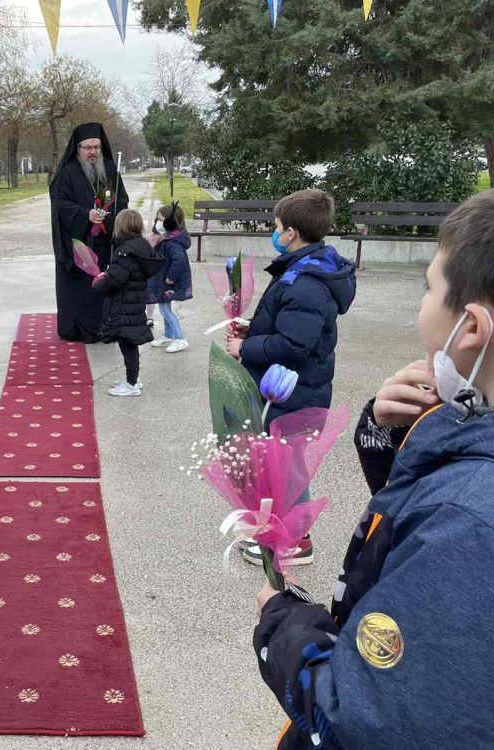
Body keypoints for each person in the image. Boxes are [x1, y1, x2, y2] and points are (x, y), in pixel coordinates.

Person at [253, 189, 494, 750]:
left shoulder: (469, 526)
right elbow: (417, 520)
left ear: (472, 328)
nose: (423, 308)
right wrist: (388, 436)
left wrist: (282, 625)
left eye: (429, 288)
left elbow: (365, 716)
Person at [227, 189, 356, 566]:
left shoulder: (307, 281)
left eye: (277, 227)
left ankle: (296, 542)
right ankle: (278, 531)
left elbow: (293, 344)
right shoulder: (305, 269)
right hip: (291, 389)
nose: (274, 232)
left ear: (292, 233)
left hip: (296, 393)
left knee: (291, 469)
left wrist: (244, 350)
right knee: (281, 465)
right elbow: (287, 325)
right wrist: (254, 329)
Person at [49, 122, 130, 343]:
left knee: (104, 287)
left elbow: (121, 201)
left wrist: (110, 219)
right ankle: (79, 329)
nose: (93, 152)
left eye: (97, 147)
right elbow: (60, 204)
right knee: (81, 290)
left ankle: (105, 326)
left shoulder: (111, 170)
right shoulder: (67, 173)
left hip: (104, 242)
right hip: (78, 243)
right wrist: (86, 215)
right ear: (78, 148)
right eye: (88, 147)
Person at [93, 209, 162, 397]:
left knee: (128, 344)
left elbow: (115, 280)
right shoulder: (140, 246)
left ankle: (131, 384)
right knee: (129, 345)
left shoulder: (125, 252)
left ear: (120, 227)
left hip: (124, 306)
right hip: (133, 304)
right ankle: (133, 378)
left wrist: (99, 281)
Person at [147, 201, 193, 353]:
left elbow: (179, 261)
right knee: (164, 306)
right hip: (165, 282)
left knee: (165, 309)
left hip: (168, 283)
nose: (158, 223)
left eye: (161, 220)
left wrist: (170, 278)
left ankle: (180, 338)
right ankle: (168, 336)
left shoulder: (173, 243)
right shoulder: (169, 238)